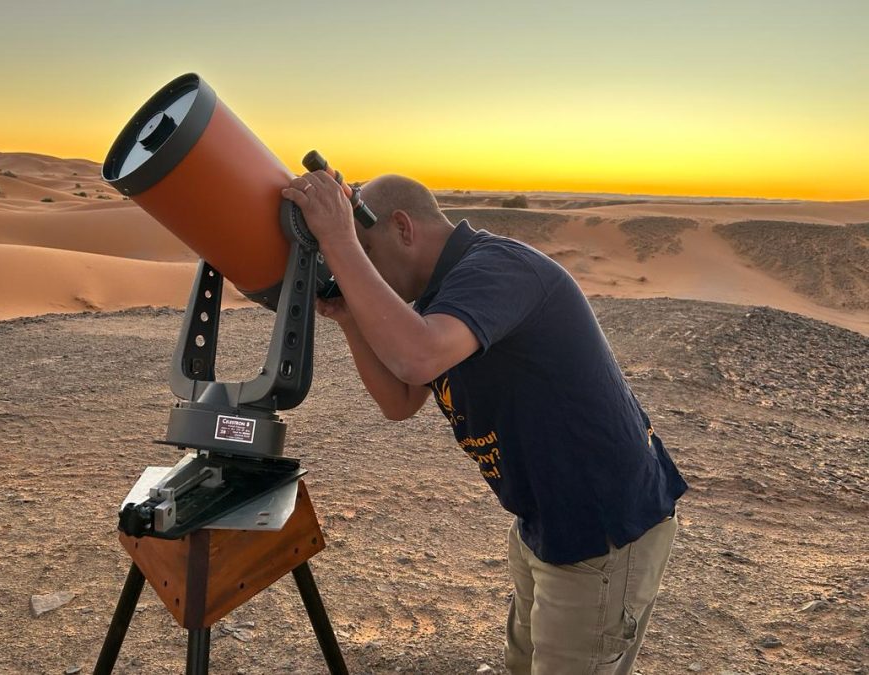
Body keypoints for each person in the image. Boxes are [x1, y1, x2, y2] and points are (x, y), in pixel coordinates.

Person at [282, 172, 688, 674]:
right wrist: (348, 317)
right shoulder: (441, 296)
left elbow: (417, 358)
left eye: (366, 250)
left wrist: (339, 239)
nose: (358, 268)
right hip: (544, 520)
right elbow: (401, 399)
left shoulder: (498, 269)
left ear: (403, 228)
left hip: (601, 529)